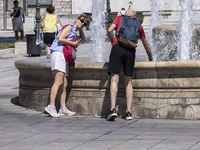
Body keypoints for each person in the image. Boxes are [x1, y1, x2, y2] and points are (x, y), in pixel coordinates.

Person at [107, 9, 153, 121]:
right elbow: (146, 44)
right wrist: (150, 58)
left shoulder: (119, 19)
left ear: (126, 14)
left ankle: (113, 110)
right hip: (130, 51)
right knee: (128, 81)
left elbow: (109, 30)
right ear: (135, 16)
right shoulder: (138, 25)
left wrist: (113, 40)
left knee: (114, 79)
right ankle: (128, 112)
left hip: (117, 48)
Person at [45, 14, 89, 118]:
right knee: (58, 81)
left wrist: (80, 28)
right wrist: (73, 44)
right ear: (76, 19)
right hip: (59, 53)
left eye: (85, 23)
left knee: (64, 83)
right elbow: (60, 38)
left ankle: (62, 108)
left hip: (64, 56)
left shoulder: (74, 30)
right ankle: (51, 106)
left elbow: (83, 40)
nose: (82, 23)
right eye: (81, 20)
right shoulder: (69, 27)